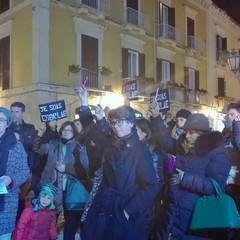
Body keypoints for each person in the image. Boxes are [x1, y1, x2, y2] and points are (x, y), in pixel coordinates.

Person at [77, 85, 159, 240]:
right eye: (113, 123)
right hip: (104, 208)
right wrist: (84, 102)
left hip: (125, 212)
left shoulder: (140, 150)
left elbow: (151, 186)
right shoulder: (110, 142)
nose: (115, 127)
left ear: (131, 123)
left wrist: (128, 210)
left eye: (119, 122)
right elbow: (91, 129)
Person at [148, 101, 231, 240]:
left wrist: (186, 179)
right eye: (186, 131)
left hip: (196, 217)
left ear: (203, 134)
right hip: (173, 212)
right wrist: (156, 117)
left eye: (191, 132)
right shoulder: (184, 145)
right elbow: (166, 141)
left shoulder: (217, 153)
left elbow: (216, 186)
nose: (186, 135)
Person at [33, 121, 89, 240]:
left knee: (69, 223)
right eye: (64, 130)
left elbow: (85, 168)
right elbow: (37, 149)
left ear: (74, 132)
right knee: (46, 219)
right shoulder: (53, 144)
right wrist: (39, 135)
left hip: (71, 190)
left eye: (69, 130)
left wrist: (67, 168)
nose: (65, 132)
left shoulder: (79, 147)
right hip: (52, 187)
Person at [0, 107, 30, 240]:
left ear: (7, 123)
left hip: (6, 202)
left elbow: (24, 171)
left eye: (1, 120)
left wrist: (10, 180)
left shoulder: (16, 146)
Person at [9, 102, 36, 220]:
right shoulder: (6, 128)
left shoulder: (30, 128)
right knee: (8, 197)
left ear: (22, 113)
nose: (14, 114)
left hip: (26, 170)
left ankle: (19, 228)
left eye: (17, 112)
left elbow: (34, 148)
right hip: (9, 171)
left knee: (22, 200)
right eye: (12, 111)